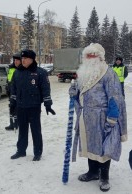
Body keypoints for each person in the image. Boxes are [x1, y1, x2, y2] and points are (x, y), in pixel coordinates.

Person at [69, 43, 127, 192]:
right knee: (90, 145)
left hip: (102, 117)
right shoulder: (83, 73)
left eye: (92, 55)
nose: (89, 58)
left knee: (104, 148)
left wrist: (112, 118)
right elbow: (80, 93)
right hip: (86, 117)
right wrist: (74, 92)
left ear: (100, 57)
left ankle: (104, 177)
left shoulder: (109, 73)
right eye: (87, 55)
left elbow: (114, 97)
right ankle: (93, 172)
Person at [10, 49, 55, 161]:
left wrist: (47, 104)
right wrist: (12, 104)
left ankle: (37, 153)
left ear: (32, 59)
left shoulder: (40, 72)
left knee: (36, 130)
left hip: (34, 107)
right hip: (21, 107)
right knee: (22, 131)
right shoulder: (17, 73)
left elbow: (45, 90)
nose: (23, 60)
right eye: (22, 58)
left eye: (25, 58)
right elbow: (14, 90)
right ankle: (21, 151)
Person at [5, 53, 22, 130]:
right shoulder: (11, 68)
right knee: (11, 108)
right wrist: (7, 88)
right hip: (11, 92)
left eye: (17, 60)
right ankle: (12, 124)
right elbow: (9, 80)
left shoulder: (22, 70)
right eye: (15, 60)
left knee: (18, 110)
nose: (16, 62)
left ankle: (17, 124)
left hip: (18, 94)